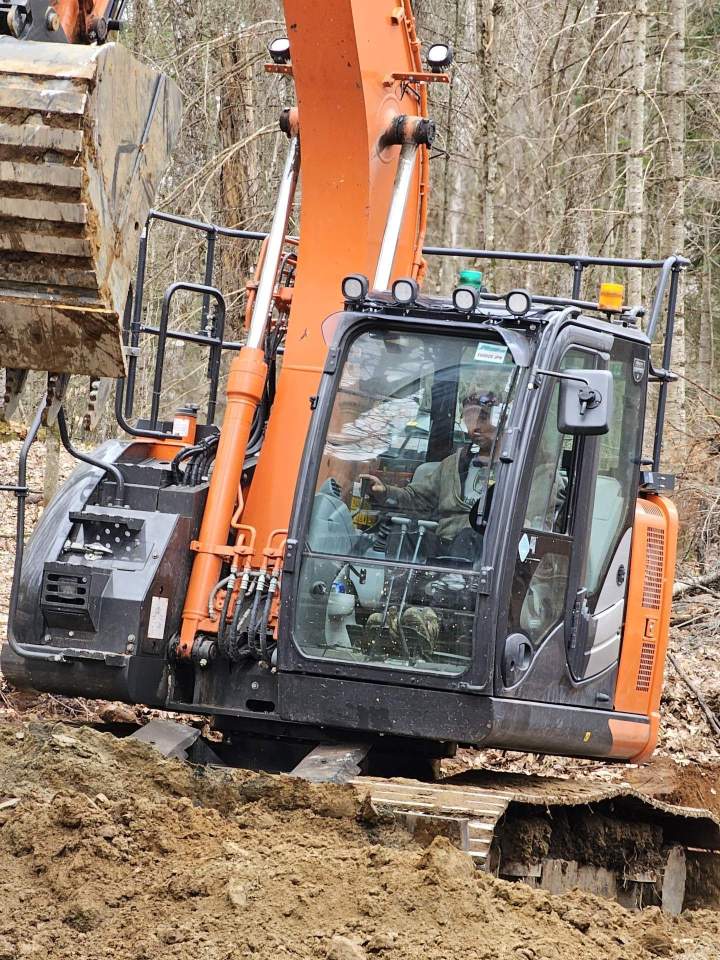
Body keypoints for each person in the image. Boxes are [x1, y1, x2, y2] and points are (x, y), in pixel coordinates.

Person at [358, 385, 500, 550]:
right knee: (400, 532)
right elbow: (417, 498)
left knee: (469, 536)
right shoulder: (451, 465)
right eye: (469, 419)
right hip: (445, 544)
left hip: (486, 551)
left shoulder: (516, 471)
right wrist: (385, 492)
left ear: (499, 419)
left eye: (482, 418)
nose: (474, 427)